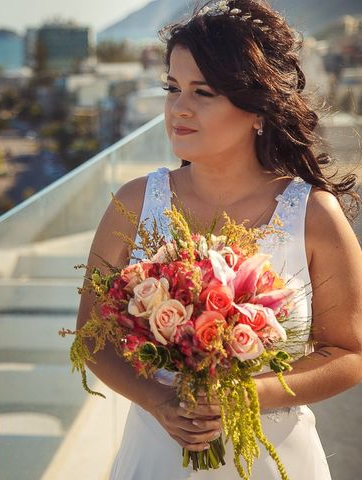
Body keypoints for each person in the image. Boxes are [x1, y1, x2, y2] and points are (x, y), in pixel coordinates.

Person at [75, 0, 362, 478]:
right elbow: (91, 336)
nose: (178, 108)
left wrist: (245, 395)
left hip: (275, 459)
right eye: (172, 88)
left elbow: (350, 354)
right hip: (156, 454)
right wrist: (158, 399)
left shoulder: (312, 214)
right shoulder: (132, 204)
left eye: (202, 92)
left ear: (256, 108)